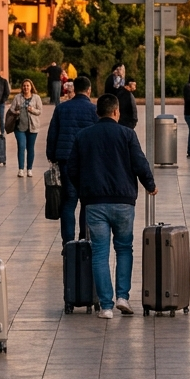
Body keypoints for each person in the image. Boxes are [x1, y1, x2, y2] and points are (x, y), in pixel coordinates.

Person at [68, 94, 156, 319]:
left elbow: (72, 170)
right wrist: (150, 185)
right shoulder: (127, 134)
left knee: (99, 252)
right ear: (116, 112)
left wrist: (84, 190)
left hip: (95, 203)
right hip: (123, 202)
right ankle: (122, 297)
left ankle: (106, 306)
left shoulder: (83, 136)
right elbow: (140, 163)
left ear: (98, 112)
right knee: (124, 248)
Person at [46, 75, 96, 245]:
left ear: (74, 89)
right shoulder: (94, 110)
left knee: (68, 201)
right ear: (89, 90)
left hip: (66, 158)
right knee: (85, 201)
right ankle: (83, 240)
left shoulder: (61, 108)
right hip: (88, 161)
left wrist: (52, 155)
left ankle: (68, 243)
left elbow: (52, 134)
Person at [9, 78, 42, 177]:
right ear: (22, 87)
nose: (26, 87)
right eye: (24, 86)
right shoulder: (17, 97)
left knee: (30, 148)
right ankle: (21, 169)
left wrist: (32, 110)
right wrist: (16, 112)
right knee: (21, 146)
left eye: (28, 85)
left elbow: (39, 111)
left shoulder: (36, 98)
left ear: (31, 87)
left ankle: (29, 169)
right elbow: (11, 109)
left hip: (33, 126)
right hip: (19, 127)